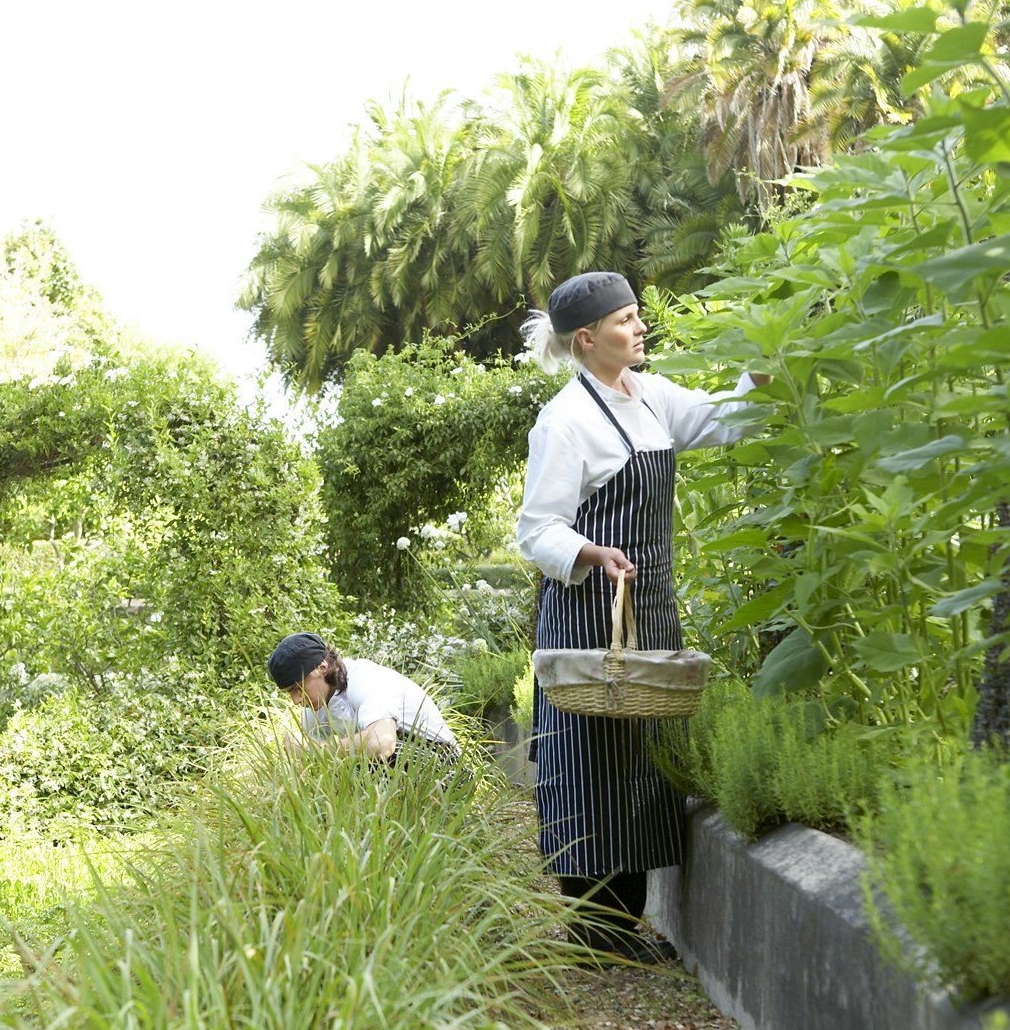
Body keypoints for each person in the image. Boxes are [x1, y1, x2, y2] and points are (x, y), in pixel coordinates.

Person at [517, 271, 758, 962]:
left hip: (645, 608)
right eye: (626, 320)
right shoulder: (565, 421)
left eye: (638, 316)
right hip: (587, 611)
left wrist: (765, 371)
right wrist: (591, 551)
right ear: (588, 339)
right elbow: (537, 530)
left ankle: (620, 929)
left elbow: (726, 420)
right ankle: (599, 934)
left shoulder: (649, 397)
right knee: (589, 765)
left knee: (644, 766)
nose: (641, 327)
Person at [267, 631, 460, 768]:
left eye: (297, 688)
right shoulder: (314, 709)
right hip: (402, 775)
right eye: (289, 693)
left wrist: (315, 750)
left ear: (322, 668)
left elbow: (383, 744)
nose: (295, 700)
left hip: (445, 765)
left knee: (369, 757)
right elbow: (313, 769)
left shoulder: (364, 678)